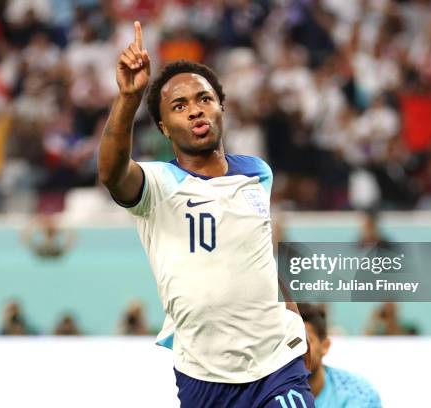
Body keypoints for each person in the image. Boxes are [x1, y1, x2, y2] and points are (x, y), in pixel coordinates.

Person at [98, 21, 313, 407]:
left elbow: (260, 251)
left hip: (278, 365)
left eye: (204, 99)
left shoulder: (257, 172)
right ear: (164, 127)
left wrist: (295, 316)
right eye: (179, 106)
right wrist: (129, 98)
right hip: (204, 375)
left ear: (221, 106)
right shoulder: (157, 185)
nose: (195, 111)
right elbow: (111, 173)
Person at [299, 303, 381, 408]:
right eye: (289, 342)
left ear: (325, 346)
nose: (296, 350)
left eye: (305, 341)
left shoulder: (360, 395)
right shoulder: (273, 391)